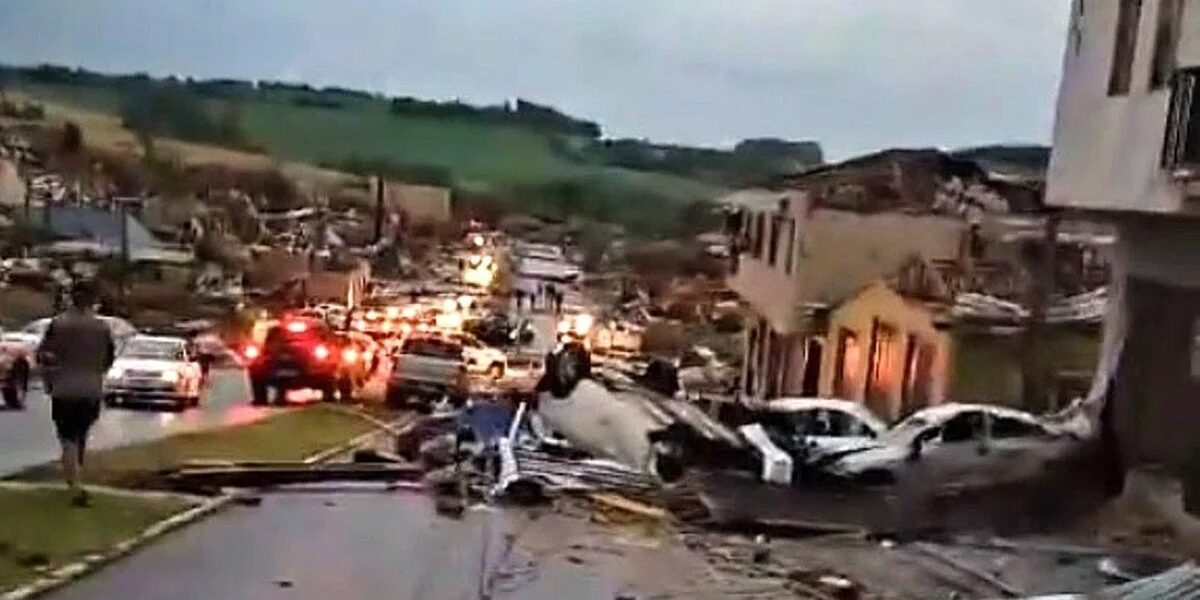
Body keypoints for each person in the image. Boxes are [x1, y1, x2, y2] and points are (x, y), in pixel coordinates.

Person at [36, 282, 114, 507]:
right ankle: (76, 476)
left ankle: (75, 488)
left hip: (64, 388)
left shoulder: (58, 324)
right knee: (80, 434)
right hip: (91, 390)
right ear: (92, 300)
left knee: (67, 437)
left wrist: (49, 379)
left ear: (71, 298)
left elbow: (43, 356)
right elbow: (108, 359)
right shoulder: (101, 327)